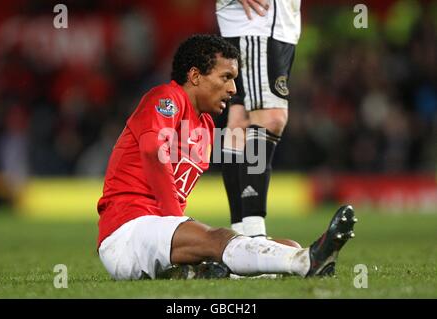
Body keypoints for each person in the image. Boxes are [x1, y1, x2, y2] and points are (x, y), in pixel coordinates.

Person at [96, 34, 356, 280]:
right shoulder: (167, 98)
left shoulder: (206, 125)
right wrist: (176, 219)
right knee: (220, 239)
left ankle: (201, 272)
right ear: (195, 76)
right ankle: (307, 261)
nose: (233, 89)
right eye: (226, 77)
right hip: (127, 231)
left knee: (286, 245)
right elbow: (154, 151)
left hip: (159, 232)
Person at [216, 0, 301, 237]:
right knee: (270, 117)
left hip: (274, 23)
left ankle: (240, 237)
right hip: (257, 23)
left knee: (240, 122)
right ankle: (254, 238)